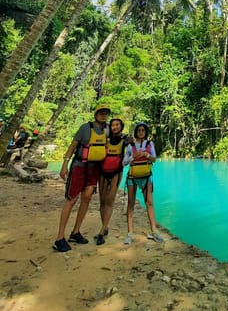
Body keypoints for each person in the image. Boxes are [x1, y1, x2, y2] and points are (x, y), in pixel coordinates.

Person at [52, 104, 111, 252]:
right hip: (79, 166)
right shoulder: (85, 128)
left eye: (106, 113)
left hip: (94, 169)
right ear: (96, 114)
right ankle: (60, 238)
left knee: (87, 198)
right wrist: (64, 165)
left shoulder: (107, 129)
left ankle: (75, 232)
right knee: (72, 199)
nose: (103, 115)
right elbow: (72, 146)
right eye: (101, 113)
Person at [123, 122, 163, 245]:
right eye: (139, 130)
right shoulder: (130, 146)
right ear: (136, 132)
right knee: (131, 203)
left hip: (146, 177)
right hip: (132, 177)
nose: (141, 132)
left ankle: (154, 231)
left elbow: (154, 159)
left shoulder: (150, 144)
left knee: (149, 203)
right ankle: (130, 233)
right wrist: (133, 157)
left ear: (145, 132)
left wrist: (146, 154)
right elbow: (124, 162)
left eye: (143, 130)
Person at [94, 117, 128, 246]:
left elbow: (132, 150)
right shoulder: (105, 139)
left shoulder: (125, 140)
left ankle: (102, 231)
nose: (115, 127)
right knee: (102, 200)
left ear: (121, 126)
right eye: (113, 125)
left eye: (117, 125)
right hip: (102, 172)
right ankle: (105, 227)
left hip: (116, 173)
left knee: (110, 200)